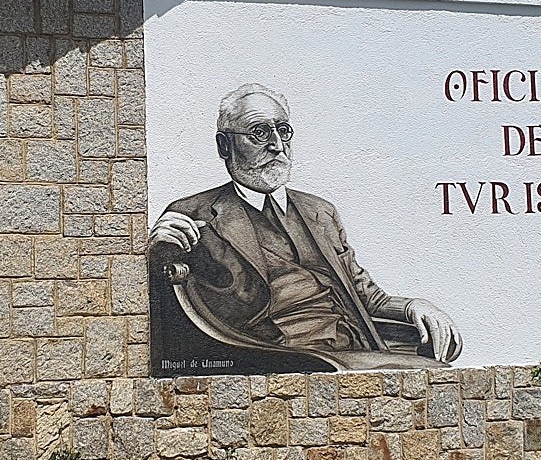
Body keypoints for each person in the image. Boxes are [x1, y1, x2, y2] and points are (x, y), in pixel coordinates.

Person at [149, 82, 462, 366]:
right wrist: (154, 256)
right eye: (259, 132)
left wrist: (414, 306)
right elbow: (168, 311)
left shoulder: (320, 212)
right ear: (224, 146)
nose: (276, 145)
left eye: (283, 131)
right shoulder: (192, 214)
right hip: (275, 355)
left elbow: (367, 297)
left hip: (353, 346)